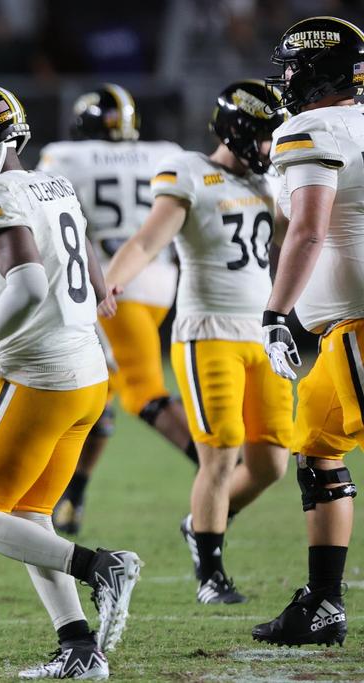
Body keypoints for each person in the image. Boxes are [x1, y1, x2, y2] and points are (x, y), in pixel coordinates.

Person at [0, 83, 142, 680]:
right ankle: (80, 648)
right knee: (29, 515)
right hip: (87, 374)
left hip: (41, 374)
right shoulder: (54, 183)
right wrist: (96, 298)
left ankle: (102, 565)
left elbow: (25, 286)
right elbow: (93, 274)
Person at [102, 80, 292, 604]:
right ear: (236, 131)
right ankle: (210, 571)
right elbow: (146, 239)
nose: (269, 149)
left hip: (261, 333)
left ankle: (200, 524)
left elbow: (291, 233)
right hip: (208, 332)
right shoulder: (190, 171)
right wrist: (111, 282)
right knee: (221, 453)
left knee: (272, 463)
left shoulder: (265, 183)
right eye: (263, 137)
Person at [252, 15, 364, 648]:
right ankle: (324, 602)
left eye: (295, 67)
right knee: (318, 450)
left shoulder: (310, 128)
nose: (287, 78)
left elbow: (310, 229)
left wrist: (275, 313)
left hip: (358, 320)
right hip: (344, 322)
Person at [37, 84, 189, 535]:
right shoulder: (166, 152)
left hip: (108, 283)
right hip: (162, 279)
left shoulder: (64, 157)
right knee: (96, 394)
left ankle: (221, 466)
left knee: (138, 389)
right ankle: (72, 498)